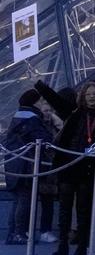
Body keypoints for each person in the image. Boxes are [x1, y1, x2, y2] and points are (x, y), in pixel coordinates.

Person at [37, 78, 95, 255]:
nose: (91, 97)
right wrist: (39, 85)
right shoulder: (74, 113)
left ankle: (82, 245)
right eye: (88, 94)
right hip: (70, 164)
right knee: (65, 207)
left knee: (84, 207)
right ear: (82, 96)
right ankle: (63, 244)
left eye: (94, 94)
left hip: (89, 167)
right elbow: (55, 100)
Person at [4, 90, 55, 244]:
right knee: (25, 198)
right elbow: (45, 139)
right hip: (26, 165)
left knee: (17, 199)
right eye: (40, 101)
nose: (42, 104)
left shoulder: (17, 116)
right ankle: (20, 233)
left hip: (13, 163)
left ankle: (12, 233)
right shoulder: (32, 119)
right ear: (34, 102)